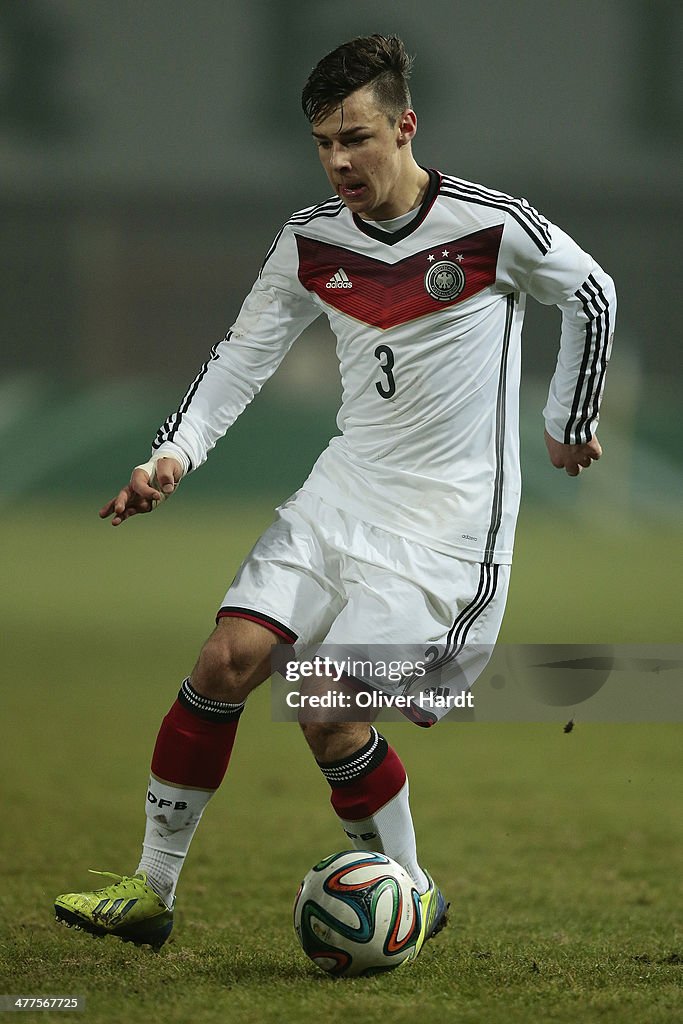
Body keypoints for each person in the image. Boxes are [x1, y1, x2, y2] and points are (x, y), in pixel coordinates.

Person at [55, 34, 616, 958]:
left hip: (448, 525)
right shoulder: (311, 240)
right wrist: (172, 456)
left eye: (355, 137)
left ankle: (410, 891)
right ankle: (152, 890)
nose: (339, 160)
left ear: (404, 126)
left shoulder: (490, 226)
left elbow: (590, 290)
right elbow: (243, 352)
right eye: (323, 142)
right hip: (344, 490)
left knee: (321, 701)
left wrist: (567, 418)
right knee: (225, 660)